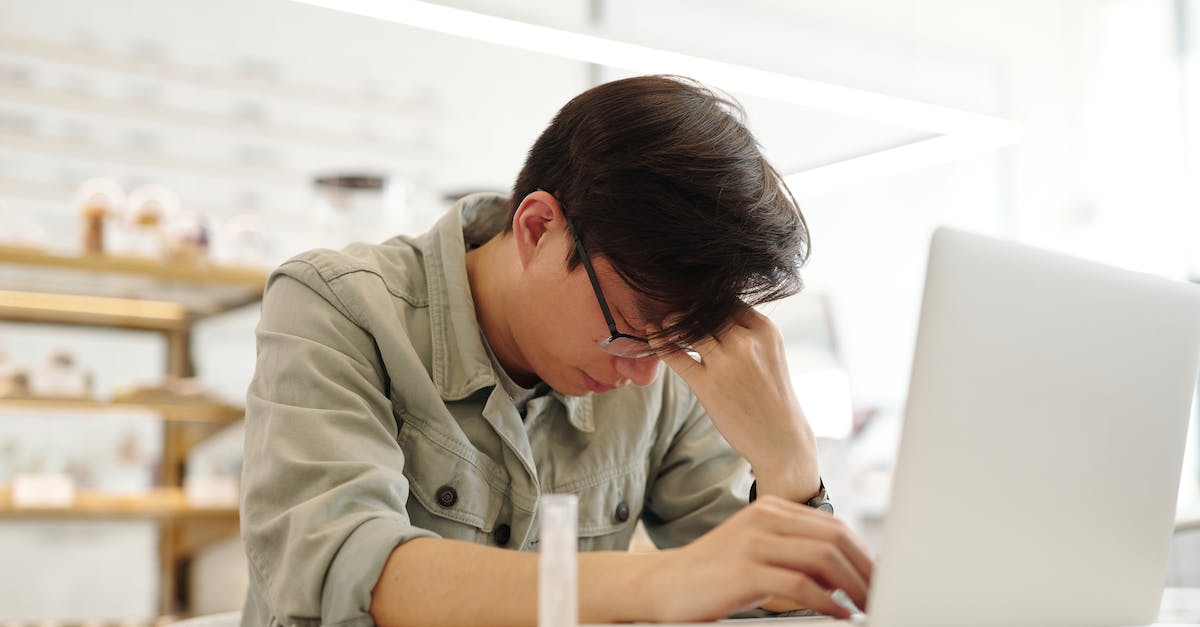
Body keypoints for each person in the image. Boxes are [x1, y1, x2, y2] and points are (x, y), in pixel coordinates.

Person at [239, 74, 874, 627]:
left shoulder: (657, 364)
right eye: (632, 324)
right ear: (538, 228)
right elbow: (339, 568)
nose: (643, 370)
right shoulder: (335, 305)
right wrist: (664, 583)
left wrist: (788, 463)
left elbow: (776, 599)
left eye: (673, 340)